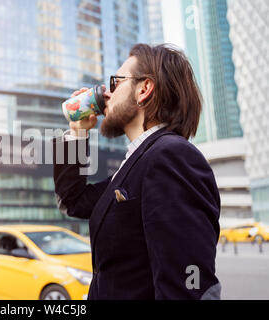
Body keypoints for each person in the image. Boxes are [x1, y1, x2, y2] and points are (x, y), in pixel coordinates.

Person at [53, 44, 221, 300]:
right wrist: (77, 134)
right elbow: (73, 201)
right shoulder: (138, 163)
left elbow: (189, 284)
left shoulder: (170, 156)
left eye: (116, 82)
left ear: (144, 89)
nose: (106, 93)